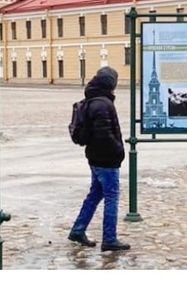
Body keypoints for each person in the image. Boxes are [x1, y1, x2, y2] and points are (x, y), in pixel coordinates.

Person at [68, 66, 130, 252]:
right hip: (106, 159)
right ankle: (109, 238)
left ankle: (78, 230)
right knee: (111, 196)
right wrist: (118, 151)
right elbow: (105, 135)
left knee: (95, 194)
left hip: (95, 157)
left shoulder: (92, 100)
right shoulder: (103, 104)